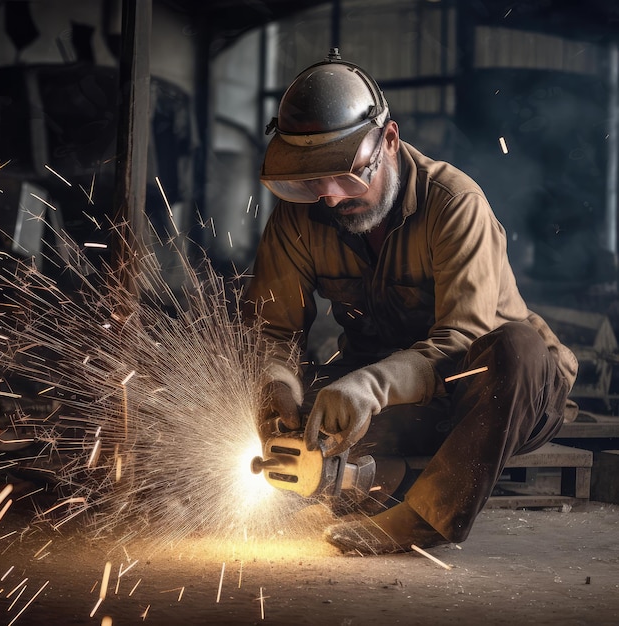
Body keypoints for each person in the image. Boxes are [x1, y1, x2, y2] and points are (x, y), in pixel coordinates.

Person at [244, 49, 578, 554]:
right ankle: (387, 473)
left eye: (348, 174)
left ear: (390, 141)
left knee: (517, 347)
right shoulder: (300, 217)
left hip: (494, 399)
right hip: (396, 403)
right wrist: (279, 390)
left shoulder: (455, 204)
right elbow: (272, 331)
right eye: (314, 179)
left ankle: (424, 518)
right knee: (310, 393)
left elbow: (462, 339)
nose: (331, 196)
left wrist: (372, 386)